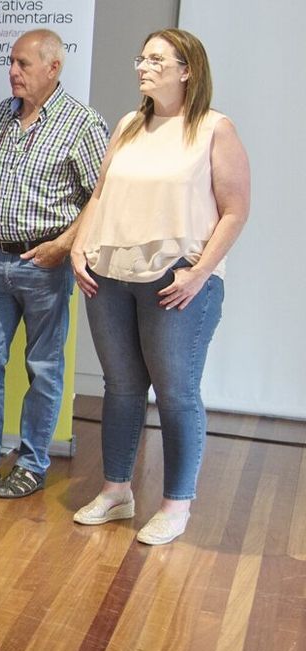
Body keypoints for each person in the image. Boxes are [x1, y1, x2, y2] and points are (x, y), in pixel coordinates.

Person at [70, 29, 249, 545]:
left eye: (155, 59)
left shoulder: (215, 130)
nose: (142, 67)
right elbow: (100, 195)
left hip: (178, 281)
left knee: (176, 393)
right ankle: (116, 490)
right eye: (140, 57)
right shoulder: (129, 124)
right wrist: (81, 247)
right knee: (122, 388)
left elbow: (236, 211)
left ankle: (176, 504)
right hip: (110, 274)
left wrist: (198, 272)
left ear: (186, 69)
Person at [0, 30, 107, 497]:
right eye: (11, 61)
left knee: (44, 367)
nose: (13, 71)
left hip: (43, 263)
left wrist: (66, 245)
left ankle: (32, 463)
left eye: (24, 64)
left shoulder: (83, 123)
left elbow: (101, 197)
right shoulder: (0, 115)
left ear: (53, 68)